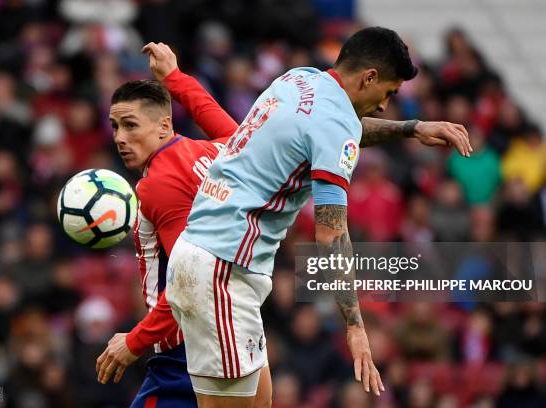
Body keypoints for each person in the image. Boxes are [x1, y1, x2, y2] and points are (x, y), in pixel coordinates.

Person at [96, 39, 470, 407]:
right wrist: (355, 326)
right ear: (369, 77)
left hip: (226, 271)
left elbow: (335, 130)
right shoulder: (332, 124)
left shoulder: (298, 80)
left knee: (261, 402)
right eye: (388, 92)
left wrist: (411, 129)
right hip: (220, 274)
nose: (386, 104)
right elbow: (331, 234)